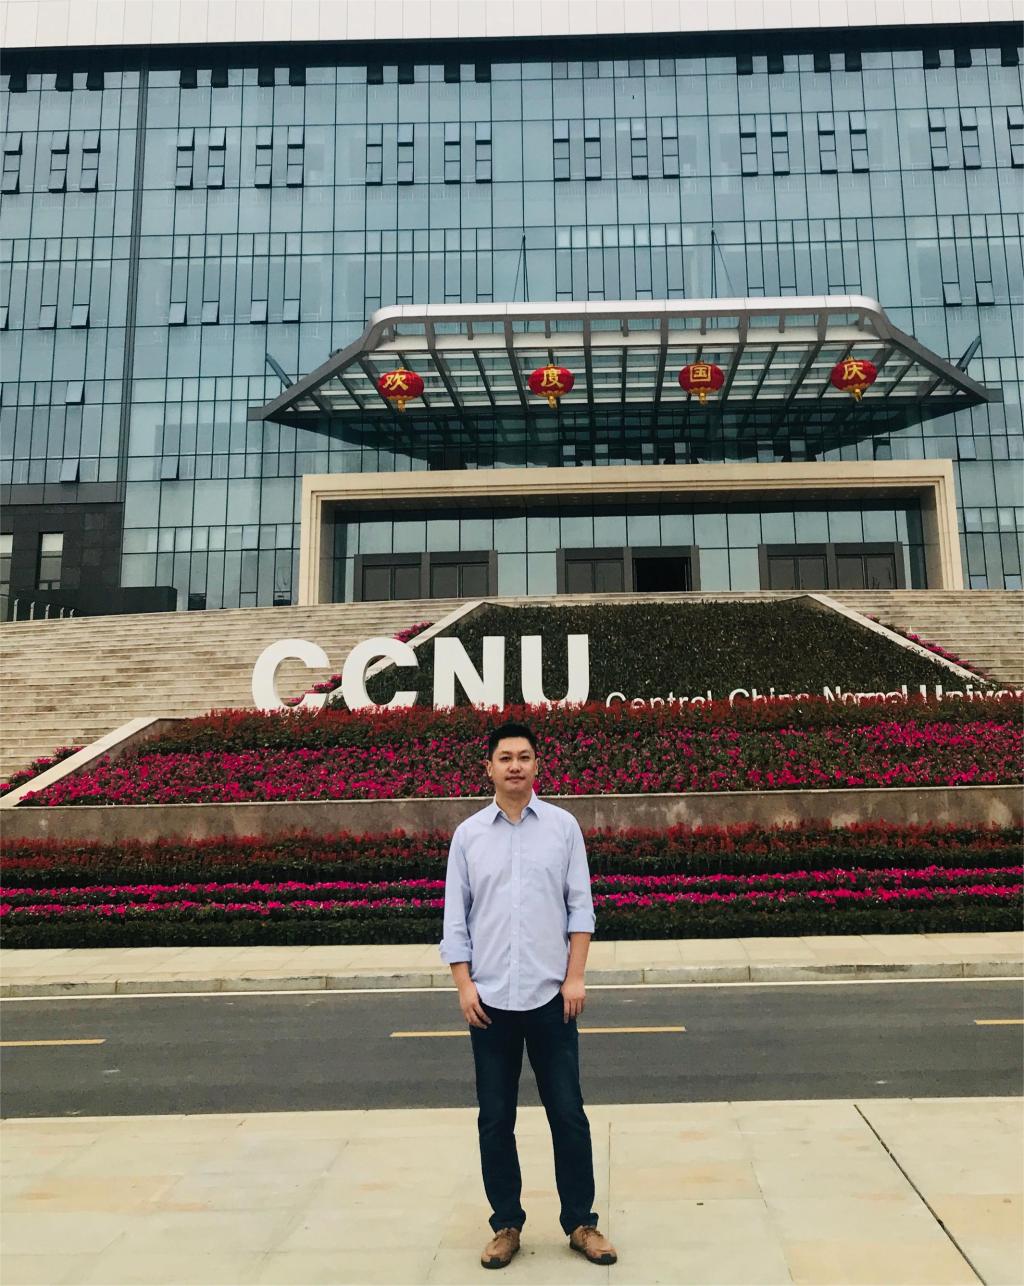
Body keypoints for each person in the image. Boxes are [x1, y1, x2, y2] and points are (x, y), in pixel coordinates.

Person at [440, 720, 619, 1270]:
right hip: (489, 1003)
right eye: (505, 757)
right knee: (495, 1119)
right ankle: (506, 1224)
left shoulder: (563, 828)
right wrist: (464, 985)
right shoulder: (469, 836)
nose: (515, 765)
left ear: (538, 765)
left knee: (568, 1114)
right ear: (488, 768)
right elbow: (455, 921)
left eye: (523, 756)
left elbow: (580, 908)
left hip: (551, 999)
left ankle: (581, 1222)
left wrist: (575, 976)